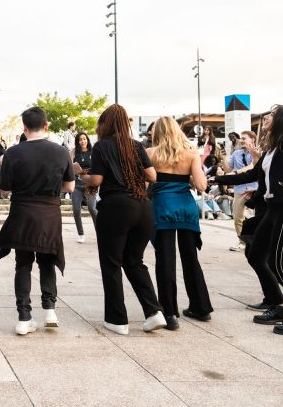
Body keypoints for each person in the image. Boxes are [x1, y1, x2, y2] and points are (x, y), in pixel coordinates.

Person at [81, 104, 166, 335]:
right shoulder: (136, 146)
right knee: (135, 261)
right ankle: (154, 312)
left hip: (116, 207)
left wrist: (82, 174)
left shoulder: (101, 146)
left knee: (112, 263)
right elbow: (152, 175)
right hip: (142, 207)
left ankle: (117, 320)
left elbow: (97, 180)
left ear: (105, 124)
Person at [0, 107, 74, 334]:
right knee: (47, 261)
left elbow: (5, 190)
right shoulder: (61, 152)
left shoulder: (13, 153)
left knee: (23, 264)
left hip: (23, 213)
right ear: (46, 126)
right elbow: (70, 187)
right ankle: (49, 310)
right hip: (49, 213)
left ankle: (24, 317)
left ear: (24, 128)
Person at [214, 105, 283, 332]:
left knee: (277, 262)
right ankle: (275, 301)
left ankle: (277, 303)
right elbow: (254, 175)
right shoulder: (271, 149)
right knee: (257, 255)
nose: (266, 118)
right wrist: (220, 180)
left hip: (280, 208)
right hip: (270, 209)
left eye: (271, 115)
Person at [146, 116, 213, 331]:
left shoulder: (150, 153)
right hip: (186, 208)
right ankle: (201, 307)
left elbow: (146, 181)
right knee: (190, 258)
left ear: (157, 132)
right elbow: (202, 185)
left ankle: (169, 313)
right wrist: (191, 177)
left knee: (165, 260)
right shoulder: (191, 153)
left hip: (163, 208)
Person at [222, 131, 259, 251]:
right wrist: (223, 157)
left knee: (259, 216)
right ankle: (243, 242)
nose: (241, 140)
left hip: (256, 189)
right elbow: (228, 169)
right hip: (240, 189)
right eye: (241, 139)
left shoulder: (258, 151)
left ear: (252, 140)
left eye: (244, 138)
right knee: (238, 217)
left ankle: (258, 240)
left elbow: (253, 167)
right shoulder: (236, 153)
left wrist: (236, 172)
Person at [69, 132, 98, 243]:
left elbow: (98, 166)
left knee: (92, 209)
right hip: (76, 184)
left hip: (90, 184)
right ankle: (81, 234)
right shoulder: (73, 151)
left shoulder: (93, 151)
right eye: (80, 139)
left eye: (84, 139)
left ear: (87, 140)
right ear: (77, 141)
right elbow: (68, 165)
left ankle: (99, 232)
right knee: (76, 209)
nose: (82, 141)